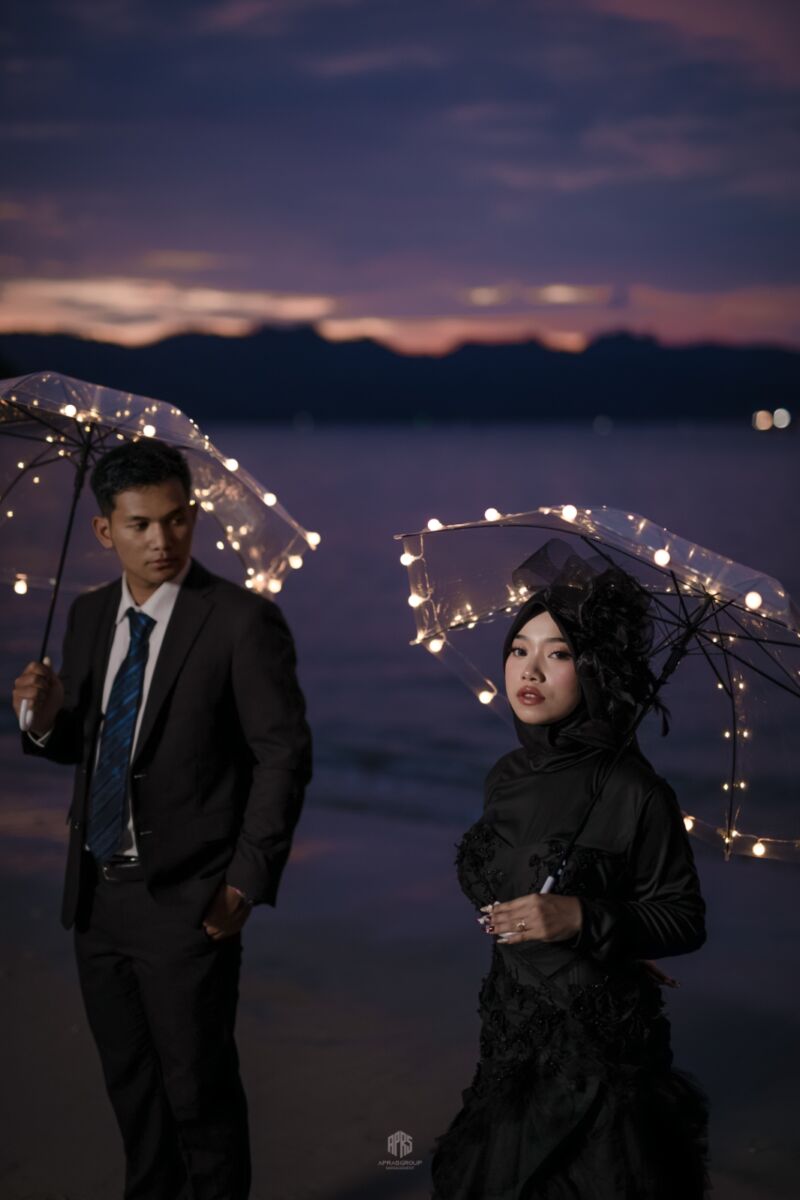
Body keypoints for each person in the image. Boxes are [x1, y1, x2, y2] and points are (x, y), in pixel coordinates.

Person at [12, 438, 312, 1200]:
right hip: (96, 899)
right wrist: (42, 720)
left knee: (199, 1097)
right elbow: (87, 745)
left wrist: (243, 884)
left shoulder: (242, 621)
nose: (163, 540)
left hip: (188, 899)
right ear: (103, 530)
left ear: (193, 516)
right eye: (140, 524)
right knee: (133, 1095)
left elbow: (283, 757)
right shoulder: (86, 616)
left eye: (177, 519)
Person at [430, 561, 711, 1199]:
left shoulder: (636, 790)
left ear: (595, 670)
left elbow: (685, 918)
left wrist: (584, 918)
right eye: (519, 650)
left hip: (596, 1058)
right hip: (508, 1035)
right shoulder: (505, 775)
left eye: (557, 654)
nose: (529, 671)